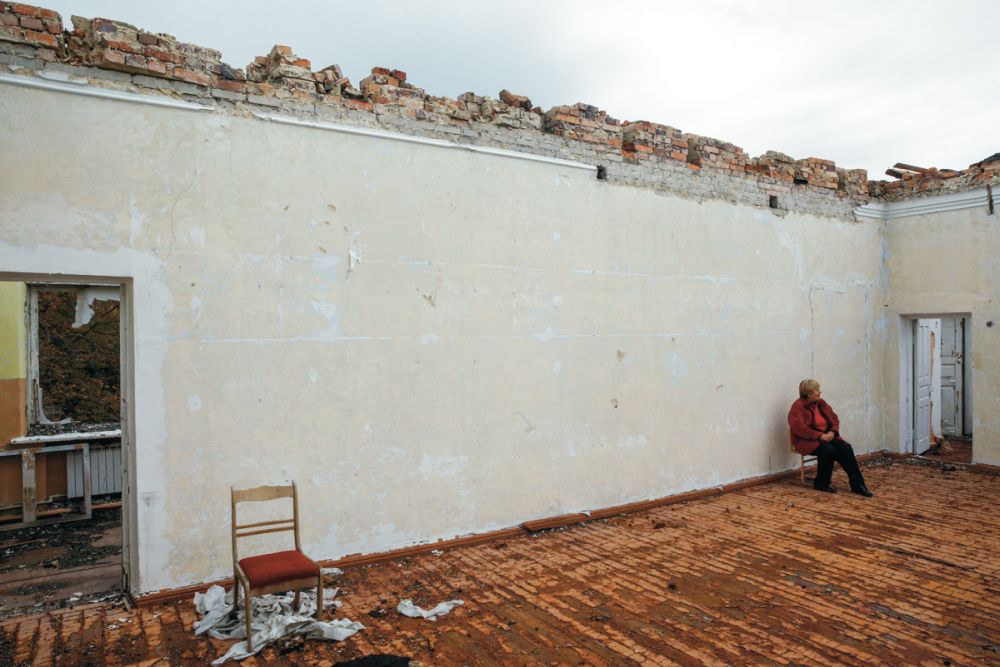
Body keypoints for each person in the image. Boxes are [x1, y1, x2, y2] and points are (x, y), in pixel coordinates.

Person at [788, 379, 873, 497]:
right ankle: (821, 483)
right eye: (817, 390)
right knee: (828, 450)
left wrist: (832, 432)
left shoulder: (821, 403)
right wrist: (820, 435)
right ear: (808, 394)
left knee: (846, 449)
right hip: (806, 441)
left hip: (827, 436)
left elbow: (834, 418)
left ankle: (858, 485)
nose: (820, 392)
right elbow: (799, 428)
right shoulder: (797, 407)